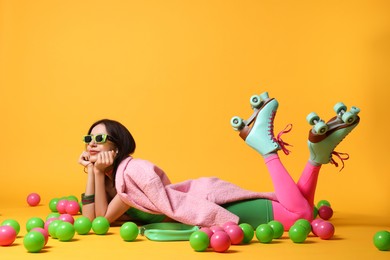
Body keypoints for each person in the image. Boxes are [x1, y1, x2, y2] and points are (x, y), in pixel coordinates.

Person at [78, 92, 360, 230]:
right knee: (305, 208)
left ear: (118, 145)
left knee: (302, 216)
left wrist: (97, 171)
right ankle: (317, 156)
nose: (92, 143)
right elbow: (94, 219)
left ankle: (265, 148)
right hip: (216, 201)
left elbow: (99, 220)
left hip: (223, 208)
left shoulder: (130, 173)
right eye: (88, 139)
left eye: (100, 139)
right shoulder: (112, 179)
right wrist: (93, 171)